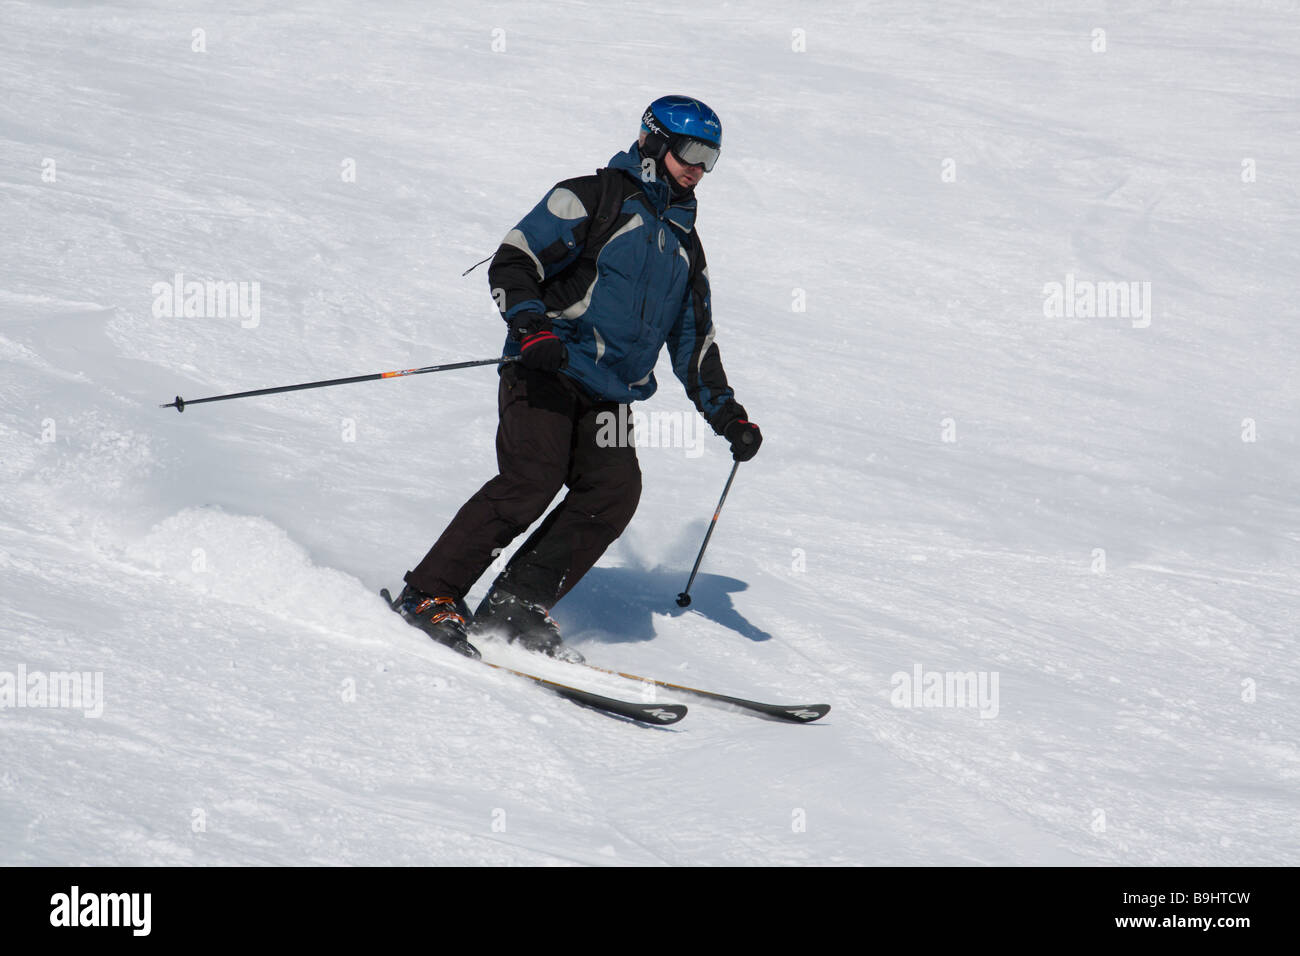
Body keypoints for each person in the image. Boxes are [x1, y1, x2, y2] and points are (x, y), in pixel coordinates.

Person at [392, 95, 762, 662]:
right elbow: (514, 261)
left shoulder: (685, 245)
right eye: (689, 151)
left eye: (710, 158)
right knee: (530, 481)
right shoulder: (592, 198)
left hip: (610, 395)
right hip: (548, 367)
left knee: (613, 491)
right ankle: (429, 593)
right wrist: (531, 327)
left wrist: (728, 415)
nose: (697, 167)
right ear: (654, 142)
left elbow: (693, 342)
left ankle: (517, 603)